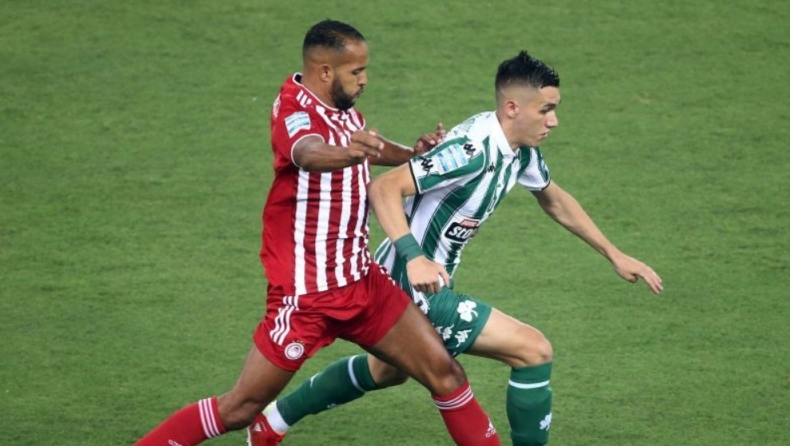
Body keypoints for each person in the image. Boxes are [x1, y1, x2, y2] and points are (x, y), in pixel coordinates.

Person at [250, 50, 664, 446]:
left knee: (388, 371)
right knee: (533, 350)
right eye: (546, 110)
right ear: (513, 108)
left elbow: (553, 198)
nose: (553, 121)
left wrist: (615, 254)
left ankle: (272, 421)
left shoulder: (519, 151)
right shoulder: (471, 151)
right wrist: (415, 258)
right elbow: (384, 188)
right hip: (411, 284)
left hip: (418, 276)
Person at [134, 19, 502, 446]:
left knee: (446, 374)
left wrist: (412, 155)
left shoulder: (343, 108)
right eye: (356, 72)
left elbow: (369, 146)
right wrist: (350, 153)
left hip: (362, 283)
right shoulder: (294, 111)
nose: (364, 80)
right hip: (307, 296)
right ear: (325, 71)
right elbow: (308, 153)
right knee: (240, 408)